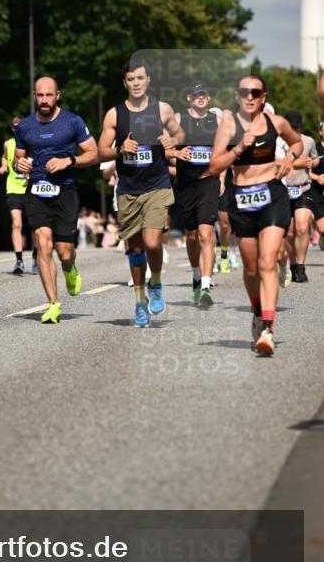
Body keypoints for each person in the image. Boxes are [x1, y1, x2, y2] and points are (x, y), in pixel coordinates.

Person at [210, 75, 302, 357]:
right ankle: (257, 311)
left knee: (267, 261)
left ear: (264, 96)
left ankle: (268, 329)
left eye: (255, 92)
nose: (249, 97)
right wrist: (238, 148)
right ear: (237, 96)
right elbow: (215, 165)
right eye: (243, 92)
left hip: (272, 197)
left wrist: (289, 160)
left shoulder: (276, 123)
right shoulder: (229, 125)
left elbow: (296, 143)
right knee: (251, 269)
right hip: (241, 199)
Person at [98, 60, 183, 327]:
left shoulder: (162, 109)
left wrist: (173, 140)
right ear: (125, 83)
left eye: (140, 78)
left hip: (157, 185)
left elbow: (180, 133)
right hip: (128, 189)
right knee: (135, 249)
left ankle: (155, 282)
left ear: (148, 81)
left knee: (153, 242)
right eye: (130, 79)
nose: (135, 83)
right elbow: (100, 150)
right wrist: (119, 149)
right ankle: (139, 301)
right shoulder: (115, 115)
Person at [13, 77, 97, 324]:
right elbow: (18, 159)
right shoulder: (25, 126)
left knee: (65, 252)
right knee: (42, 242)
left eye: (49, 95)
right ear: (34, 96)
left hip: (65, 191)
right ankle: (52, 304)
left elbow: (93, 153)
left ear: (57, 95)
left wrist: (69, 161)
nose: (45, 100)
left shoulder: (72, 121)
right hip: (36, 190)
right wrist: (19, 164)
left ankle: (70, 267)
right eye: (40, 96)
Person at [172, 82, 221, 309]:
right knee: (192, 235)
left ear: (208, 98)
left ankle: (206, 286)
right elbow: (163, 145)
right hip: (185, 183)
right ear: (189, 98)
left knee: (205, 233)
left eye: (204, 94)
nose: (200, 97)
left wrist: (222, 178)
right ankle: (195, 275)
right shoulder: (178, 118)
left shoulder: (217, 120)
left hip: (208, 181)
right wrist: (175, 152)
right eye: (196, 94)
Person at [277, 110, 319, 284]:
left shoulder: (308, 141)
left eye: (297, 127)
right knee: (289, 232)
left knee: (302, 228)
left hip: (303, 189)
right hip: (284, 191)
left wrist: (311, 162)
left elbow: (315, 159)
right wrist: (295, 162)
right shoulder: (278, 142)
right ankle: (291, 264)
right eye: (291, 126)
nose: (294, 129)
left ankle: (300, 267)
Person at [0, 117, 37, 274]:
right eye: (14, 127)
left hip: (30, 188)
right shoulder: (8, 144)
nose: (17, 129)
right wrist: (3, 165)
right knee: (16, 223)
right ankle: (19, 261)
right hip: (14, 188)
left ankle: (36, 258)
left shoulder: (34, 142)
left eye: (19, 126)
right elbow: (4, 156)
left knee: (36, 226)